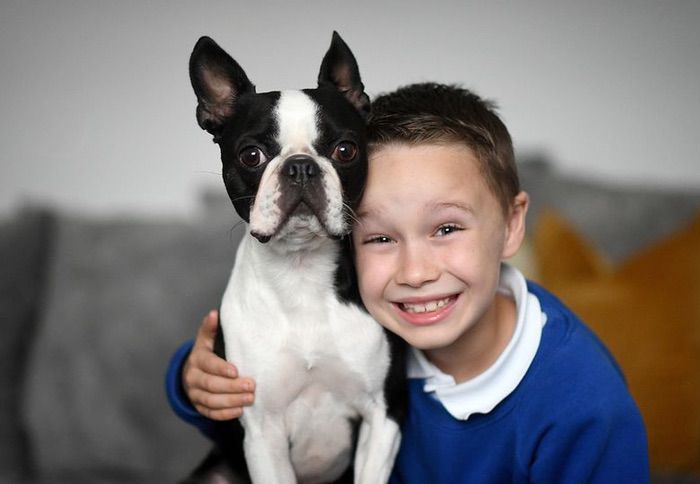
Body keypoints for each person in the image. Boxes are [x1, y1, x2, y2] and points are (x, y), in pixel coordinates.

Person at [166, 82, 649, 482]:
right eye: (379, 237)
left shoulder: (584, 404)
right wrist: (193, 380)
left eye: (446, 229)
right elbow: (269, 391)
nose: (415, 272)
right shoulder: (365, 316)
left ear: (511, 225)